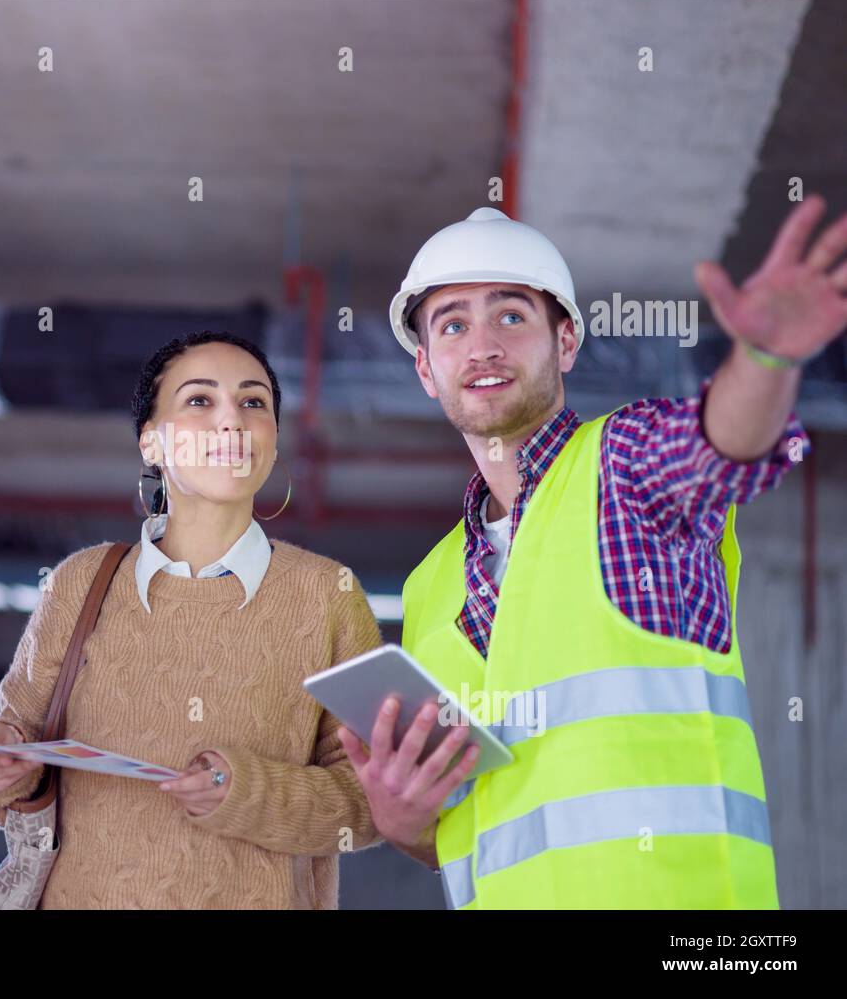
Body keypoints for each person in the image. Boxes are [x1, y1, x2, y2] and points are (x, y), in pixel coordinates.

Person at [341, 200, 846, 909]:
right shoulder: (429, 586)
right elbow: (472, 825)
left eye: (511, 316)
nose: (482, 345)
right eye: (453, 324)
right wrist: (402, 821)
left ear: (567, 341)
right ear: (426, 368)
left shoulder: (628, 468)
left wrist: (765, 358)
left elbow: (725, 445)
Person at [0, 330, 383, 908]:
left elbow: (370, 803)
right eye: (200, 401)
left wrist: (246, 792)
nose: (231, 420)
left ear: (274, 442)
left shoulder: (327, 595)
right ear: (152, 444)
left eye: (253, 402)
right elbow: (18, 747)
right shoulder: (81, 581)